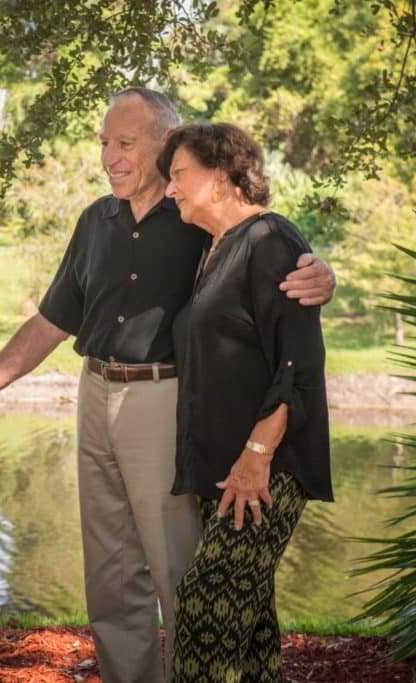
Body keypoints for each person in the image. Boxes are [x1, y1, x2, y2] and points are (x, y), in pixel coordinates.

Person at [0, 89, 335, 683]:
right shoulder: (96, 221)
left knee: (181, 571)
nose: (110, 157)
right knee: (110, 574)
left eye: (125, 143)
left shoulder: (196, 214)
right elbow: (51, 321)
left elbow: (266, 254)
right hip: (94, 396)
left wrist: (323, 274)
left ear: (165, 146)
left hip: (165, 401)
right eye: (104, 144)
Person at [157, 122, 333, 682]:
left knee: (204, 607)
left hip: (265, 468)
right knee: (248, 623)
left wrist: (257, 454)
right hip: (224, 468)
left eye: (179, 174)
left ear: (225, 173)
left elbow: (296, 361)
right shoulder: (213, 249)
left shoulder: (271, 241)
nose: (170, 189)